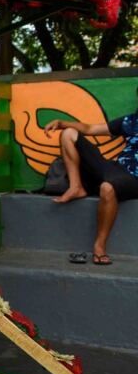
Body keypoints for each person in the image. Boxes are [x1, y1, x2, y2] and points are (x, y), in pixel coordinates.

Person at [44, 99, 138, 265]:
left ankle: (99, 247)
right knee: (69, 133)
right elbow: (91, 129)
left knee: (107, 187)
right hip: (114, 168)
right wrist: (61, 123)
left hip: (134, 178)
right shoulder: (131, 121)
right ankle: (76, 187)